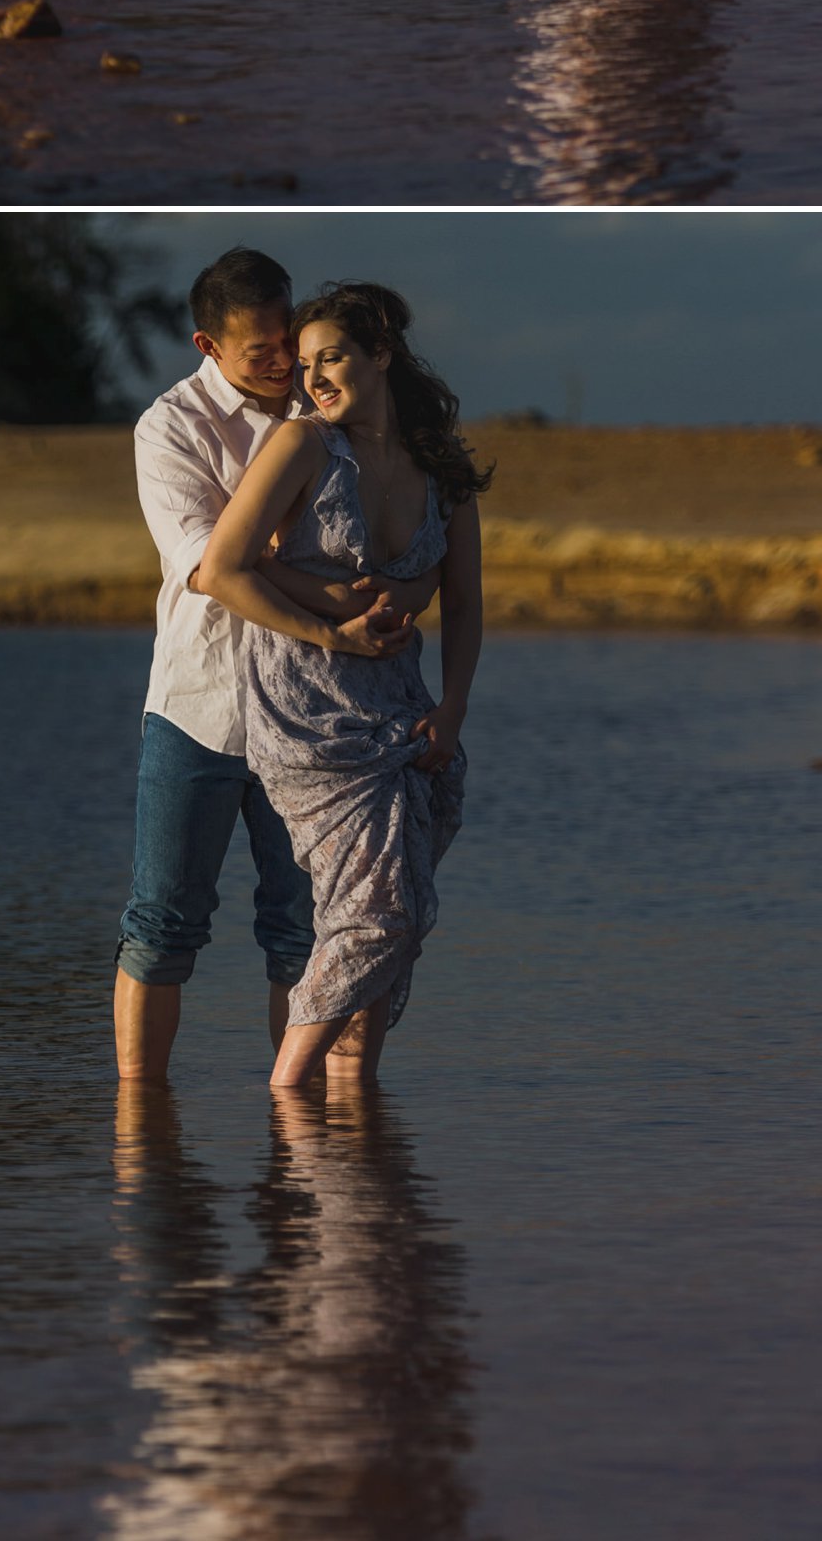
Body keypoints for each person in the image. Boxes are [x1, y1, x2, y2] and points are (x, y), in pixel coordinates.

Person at [116, 249, 439, 1083]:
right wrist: (339, 621)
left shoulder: (324, 407)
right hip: (202, 706)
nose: (282, 359)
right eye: (259, 348)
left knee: (304, 931)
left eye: (287, 337)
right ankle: (141, 1129)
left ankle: (307, 1145)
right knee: (162, 925)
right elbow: (211, 569)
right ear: (206, 345)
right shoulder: (171, 427)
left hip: (312, 718)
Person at [197, 283, 490, 1090]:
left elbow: (463, 601)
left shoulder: (442, 466)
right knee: (375, 913)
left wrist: (453, 710)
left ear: (382, 354)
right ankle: (289, 1093)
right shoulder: (301, 446)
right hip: (307, 710)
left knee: (397, 920)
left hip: (405, 710)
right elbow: (221, 571)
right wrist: (332, 631)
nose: (314, 377)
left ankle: (355, 1111)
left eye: (333, 358)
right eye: (306, 364)